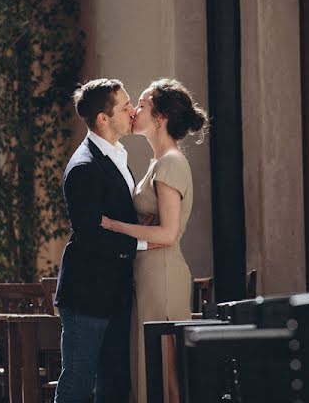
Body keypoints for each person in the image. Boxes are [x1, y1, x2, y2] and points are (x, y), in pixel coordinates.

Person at [99, 78, 207, 403]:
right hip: (148, 275)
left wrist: (114, 226)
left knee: (167, 374)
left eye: (143, 105)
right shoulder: (158, 163)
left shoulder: (171, 163)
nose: (135, 111)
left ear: (160, 117)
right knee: (152, 370)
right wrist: (138, 224)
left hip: (162, 276)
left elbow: (169, 234)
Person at [53, 78, 152, 403]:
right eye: (125, 106)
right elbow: (91, 234)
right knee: (77, 386)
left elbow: (116, 213)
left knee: (114, 387)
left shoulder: (117, 156)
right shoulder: (84, 167)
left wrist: (140, 224)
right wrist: (145, 243)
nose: (133, 110)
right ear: (103, 119)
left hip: (116, 292)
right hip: (88, 294)